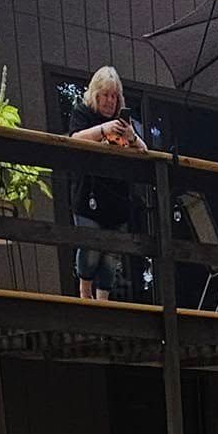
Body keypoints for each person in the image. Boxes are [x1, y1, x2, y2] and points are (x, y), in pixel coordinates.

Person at [67, 67, 146, 301]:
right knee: (90, 248)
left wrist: (130, 136)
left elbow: (144, 150)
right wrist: (103, 130)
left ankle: (103, 302)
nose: (110, 101)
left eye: (114, 96)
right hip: (90, 193)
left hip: (117, 197)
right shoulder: (82, 113)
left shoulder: (122, 121)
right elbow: (74, 138)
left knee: (111, 254)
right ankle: (84, 293)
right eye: (106, 95)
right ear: (96, 95)